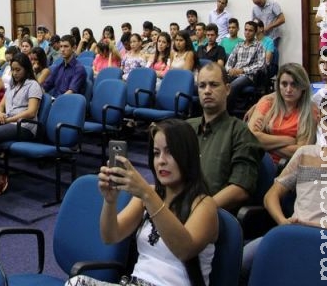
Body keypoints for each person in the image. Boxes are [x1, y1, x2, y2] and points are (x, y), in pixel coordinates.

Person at [67, 119, 218, 286]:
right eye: (156, 153)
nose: (161, 160)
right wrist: (110, 202)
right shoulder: (148, 195)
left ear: (187, 156)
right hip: (135, 282)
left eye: (170, 152)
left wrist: (147, 195)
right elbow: (110, 236)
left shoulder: (204, 205)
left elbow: (184, 250)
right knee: (76, 282)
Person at [240, 89, 327, 283]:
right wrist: (283, 222)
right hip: (293, 231)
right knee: (240, 262)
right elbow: (271, 196)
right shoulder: (304, 154)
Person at [188, 62, 263, 211]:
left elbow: (240, 189)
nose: (207, 91)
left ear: (228, 89)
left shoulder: (240, 132)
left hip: (213, 217)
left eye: (214, 85)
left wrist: (201, 210)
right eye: (202, 86)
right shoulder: (186, 128)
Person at [0, 53, 42, 196]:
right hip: (10, 123)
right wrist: (0, 114)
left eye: (18, 70)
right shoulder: (11, 86)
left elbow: (31, 112)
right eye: (13, 69)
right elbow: (0, 106)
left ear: (26, 69)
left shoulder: (33, 85)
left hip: (25, 127)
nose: (15, 73)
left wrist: (9, 120)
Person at [247, 63, 318, 163]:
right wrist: (288, 140)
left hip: (288, 165)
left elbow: (302, 151)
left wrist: (265, 144)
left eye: (294, 84)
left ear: (303, 86)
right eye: (284, 84)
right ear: (278, 85)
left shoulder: (310, 111)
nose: (288, 90)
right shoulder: (267, 102)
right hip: (257, 158)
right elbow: (250, 138)